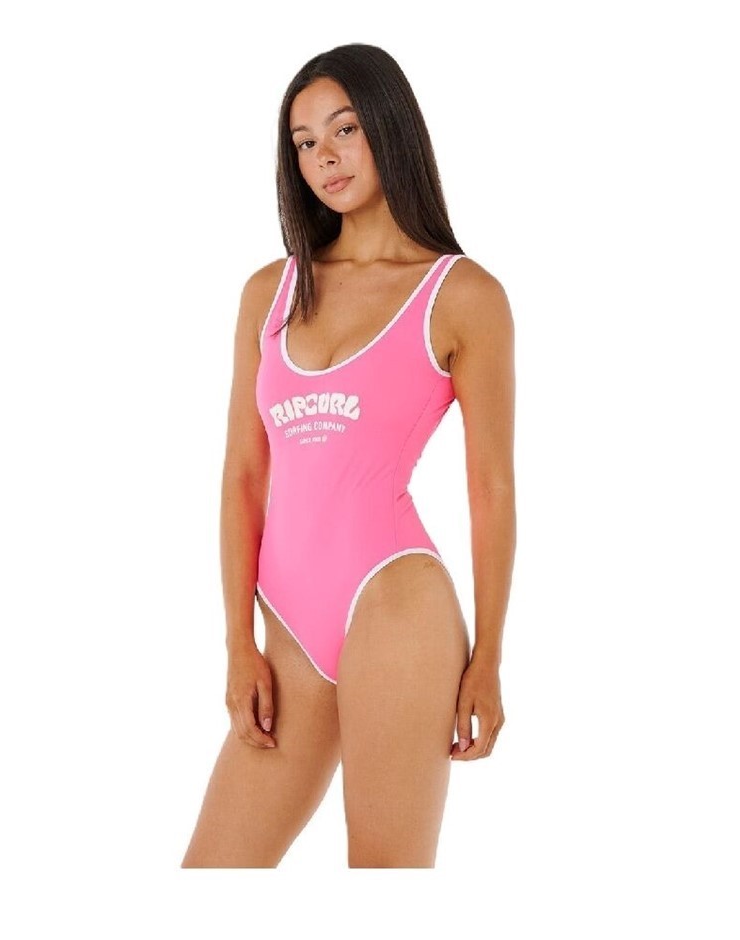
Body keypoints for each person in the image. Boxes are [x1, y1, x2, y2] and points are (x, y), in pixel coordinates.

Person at [181, 42, 516, 868]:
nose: (324, 156)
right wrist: (236, 642)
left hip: (397, 608)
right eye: (304, 142)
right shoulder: (271, 292)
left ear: (390, 128)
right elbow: (243, 476)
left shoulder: (462, 295)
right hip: (287, 629)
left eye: (344, 129)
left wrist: (488, 660)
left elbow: (491, 488)